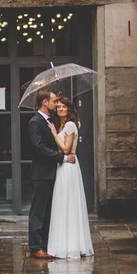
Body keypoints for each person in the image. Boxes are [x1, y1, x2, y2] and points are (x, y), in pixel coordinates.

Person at [27, 90, 75, 258]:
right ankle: (35, 247)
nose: (56, 104)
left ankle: (46, 245)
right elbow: (38, 147)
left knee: (48, 211)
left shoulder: (51, 121)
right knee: (38, 212)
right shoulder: (35, 121)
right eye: (54, 101)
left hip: (52, 173)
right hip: (41, 173)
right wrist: (61, 157)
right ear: (45, 102)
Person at [46, 97, 94, 259]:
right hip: (63, 166)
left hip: (68, 166)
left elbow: (66, 149)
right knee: (63, 203)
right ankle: (63, 243)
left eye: (63, 106)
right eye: (58, 106)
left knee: (69, 203)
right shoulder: (62, 125)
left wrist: (53, 133)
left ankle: (72, 245)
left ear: (69, 109)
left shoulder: (70, 125)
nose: (60, 109)